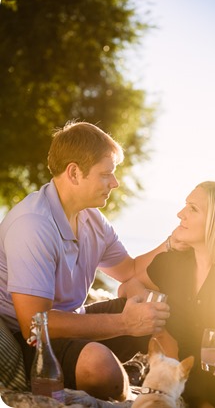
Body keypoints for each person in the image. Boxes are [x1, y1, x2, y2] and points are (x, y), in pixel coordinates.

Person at [0, 120, 171, 401]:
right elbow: (36, 323)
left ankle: (174, 393)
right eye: (106, 174)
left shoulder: (91, 218)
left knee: (159, 308)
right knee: (100, 368)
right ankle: (134, 391)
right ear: (74, 173)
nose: (114, 183)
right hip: (33, 340)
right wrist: (126, 324)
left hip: (74, 321)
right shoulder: (32, 225)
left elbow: (129, 270)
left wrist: (173, 242)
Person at [119, 181, 215, 408]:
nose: (180, 214)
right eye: (185, 205)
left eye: (192, 208)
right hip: (186, 379)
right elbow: (128, 285)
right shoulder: (171, 264)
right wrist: (151, 312)